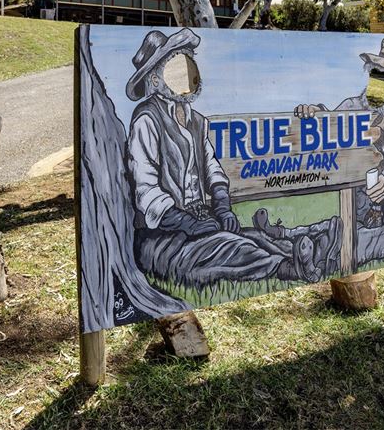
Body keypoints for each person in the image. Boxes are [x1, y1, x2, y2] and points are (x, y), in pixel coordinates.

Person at [125, 28, 341, 288]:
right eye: (174, 67)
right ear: (156, 79)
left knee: (253, 237)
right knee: (228, 248)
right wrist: (186, 222)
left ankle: (310, 252)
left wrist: (222, 207)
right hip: (162, 237)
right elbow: (147, 192)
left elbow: (212, 168)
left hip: (201, 219)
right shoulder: (147, 120)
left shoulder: (197, 121)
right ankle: (289, 267)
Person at [295, 37, 384, 265]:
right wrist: (315, 113)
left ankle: (309, 258)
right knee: (329, 230)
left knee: (347, 247)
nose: (376, 85)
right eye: (374, 76)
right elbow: (331, 123)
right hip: (360, 215)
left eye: (383, 78)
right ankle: (285, 237)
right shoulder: (354, 107)